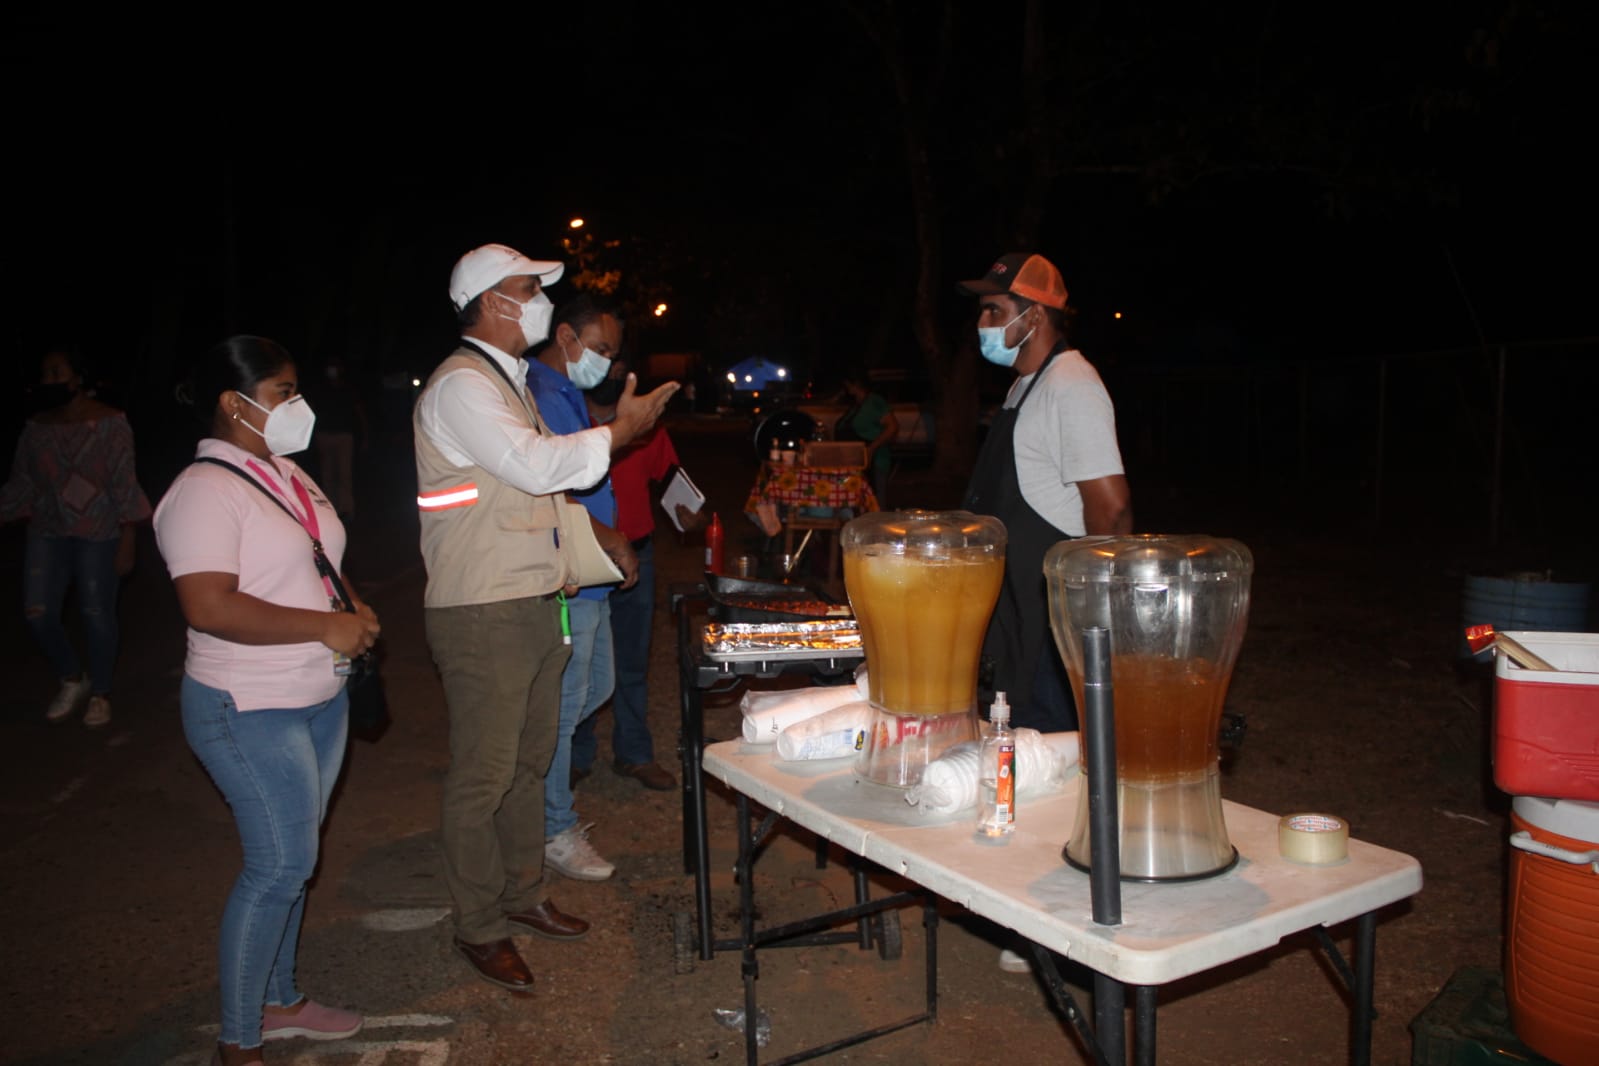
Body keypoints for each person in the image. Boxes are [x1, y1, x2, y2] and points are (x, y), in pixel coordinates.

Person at [414, 243, 676, 992]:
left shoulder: (506, 383)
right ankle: (478, 924)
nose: (541, 303)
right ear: (491, 301)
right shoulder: (462, 386)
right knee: (485, 775)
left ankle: (522, 892)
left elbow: (545, 491)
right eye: (529, 289)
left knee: (531, 764)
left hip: (532, 597)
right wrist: (618, 432)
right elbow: (536, 467)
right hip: (483, 606)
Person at [153, 336, 378, 1066]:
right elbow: (209, 605)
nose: (298, 404)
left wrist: (350, 608)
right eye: (284, 392)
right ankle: (238, 1040)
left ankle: (279, 1002)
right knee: (278, 866)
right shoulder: (202, 491)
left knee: (297, 859)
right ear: (234, 401)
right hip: (246, 704)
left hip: (319, 695)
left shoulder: (283, 471)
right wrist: (323, 626)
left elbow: (314, 557)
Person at [959, 252, 1133, 734]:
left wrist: (1092, 615)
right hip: (1016, 615)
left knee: (1054, 752)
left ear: (1034, 315)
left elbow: (1112, 509)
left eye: (994, 310)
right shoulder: (1024, 386)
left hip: (1052, 630)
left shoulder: (1071, 384)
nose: (982, 323)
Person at [525, 293, 632, 880]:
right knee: (564, 708)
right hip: (572, 575)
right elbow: (557, 492)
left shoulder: (566, 393)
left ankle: (532, 786)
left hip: (590, 578)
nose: (607, 362)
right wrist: (610, 538)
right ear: (566, 336)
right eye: (600, 348)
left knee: (592, 691)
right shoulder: (543, 395)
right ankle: (552, 827)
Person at [572, 357, 705, 795]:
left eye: (621, 367)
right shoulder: (567, 420)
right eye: (606, 363)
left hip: (637, 557)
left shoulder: (645, 426)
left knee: (630, 661)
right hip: (584, 557)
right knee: (579, 661)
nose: (614, 375)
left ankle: (634, 752)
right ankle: (575, 754)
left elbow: (672, 481)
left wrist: (690, 514)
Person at [1, 349, 151, 728]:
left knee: (96, 612)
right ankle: (72, 677)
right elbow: (22, 481)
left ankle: (100, 691)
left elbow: (123, 482)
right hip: (47, 530)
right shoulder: (37, 427)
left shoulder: (110, 422)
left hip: (99, 531)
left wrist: (128, 536)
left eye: (57, 372)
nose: (49, 381)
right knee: (37, 613)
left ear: (78, 377)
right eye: (45, 374)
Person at [835, 369, 898, 507]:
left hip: (875, 462)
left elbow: (892, 427)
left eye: (848, 384)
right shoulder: (856, 405)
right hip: (854, 465)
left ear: (856, 384)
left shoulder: (875, 402)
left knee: (875, 501)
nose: (846, 388)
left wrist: (871, 448)